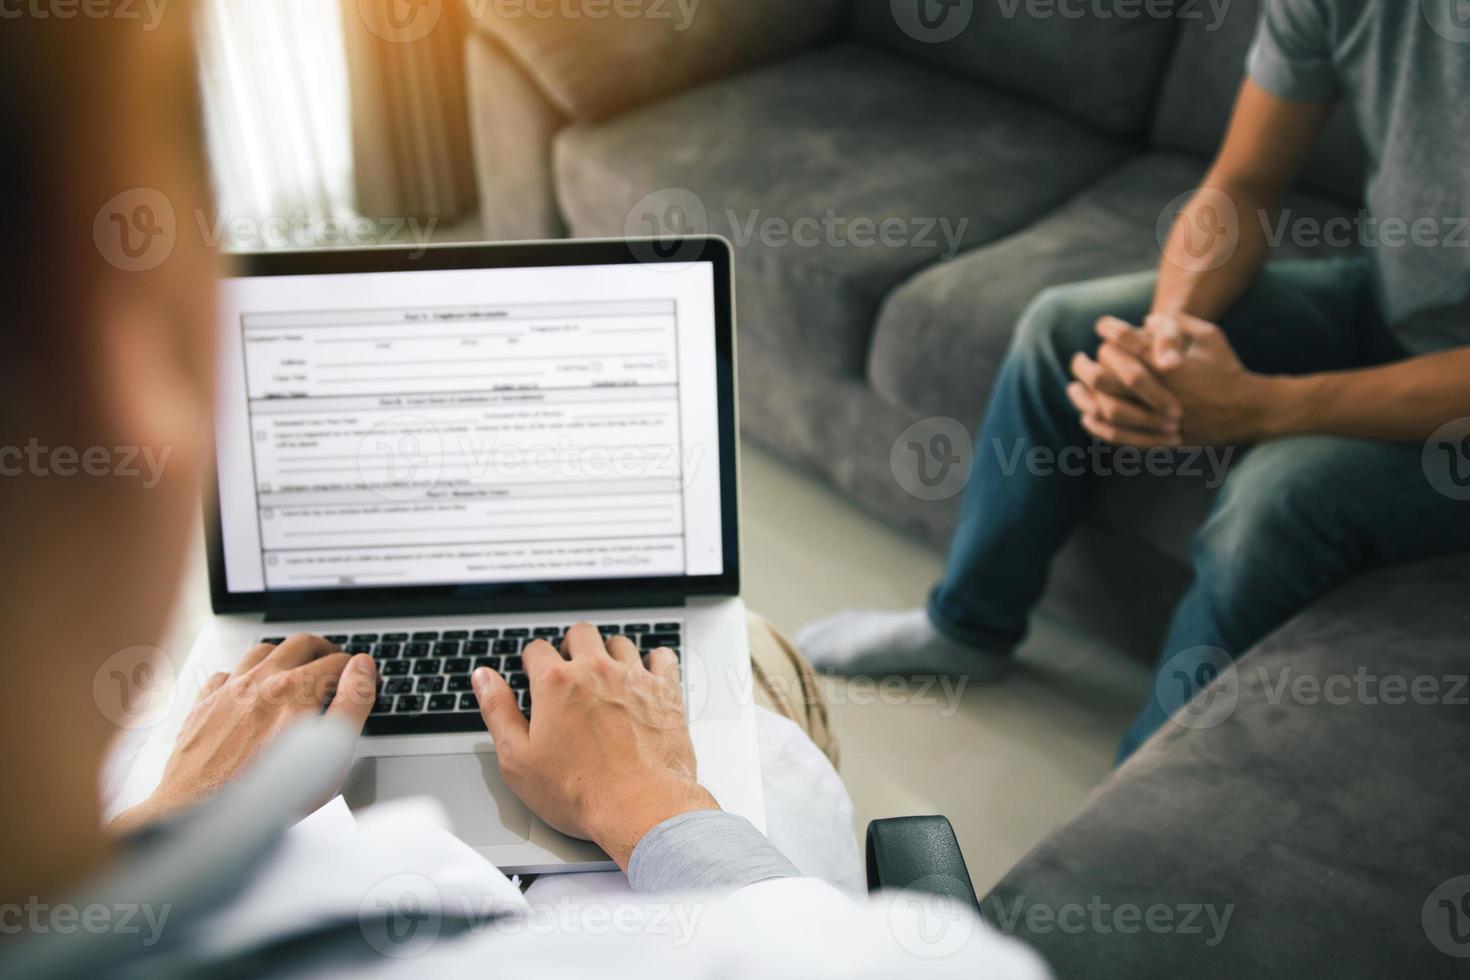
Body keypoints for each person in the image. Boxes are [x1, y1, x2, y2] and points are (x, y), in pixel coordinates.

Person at [0, 7, 1049, 979]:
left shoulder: (129, 814)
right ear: (125, 359)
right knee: (761, 658)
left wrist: (171, 824)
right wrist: (656, 805)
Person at [798, 0, 1470, 761]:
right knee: (1065, 331)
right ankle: (967, 627)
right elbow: (1242, 185)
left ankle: (1134, 792)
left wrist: (1261, 409)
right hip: (1388, 303)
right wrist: (1166, 338)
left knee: (1276, 500)